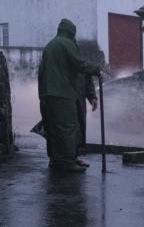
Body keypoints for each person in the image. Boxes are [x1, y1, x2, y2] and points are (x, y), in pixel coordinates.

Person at [38, 19, 102, 173]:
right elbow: (79, 64)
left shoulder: (49, 46)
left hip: (48, 95)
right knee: (68, 128)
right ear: (71, 32)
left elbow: (41, 72)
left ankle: (56, 160)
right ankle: (67, 163)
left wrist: (42, 95)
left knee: (54, 129)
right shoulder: (67, 44)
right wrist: (97, 69)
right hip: (63, 93)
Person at [74, 73, 98, 167]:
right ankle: (61, 158)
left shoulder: (83, 60)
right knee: (67, 127)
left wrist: (92, 96)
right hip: (65, 95)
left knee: (79, 126)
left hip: (79, 97)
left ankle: (74, 156)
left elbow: (87, 77)